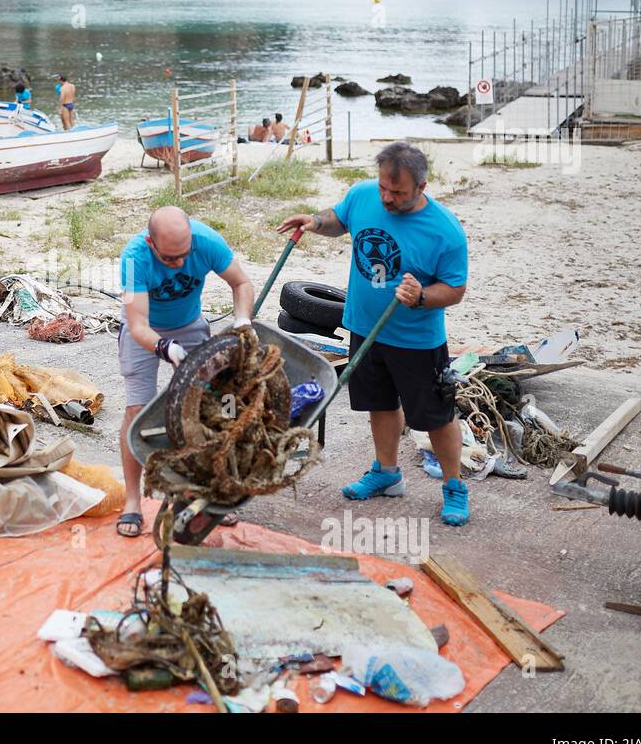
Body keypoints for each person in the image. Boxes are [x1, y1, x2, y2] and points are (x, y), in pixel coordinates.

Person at [277, 141, 471, 525]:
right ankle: (386, 473)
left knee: (435, 415)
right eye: (384, 187)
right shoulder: (365, 194)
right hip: (365, 329)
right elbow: (340, 218)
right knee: (379, 403)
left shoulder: (445, 231)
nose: (387, 197)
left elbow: (455, 289)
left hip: (416, 340)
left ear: (422, 187)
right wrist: (314, 222)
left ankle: (454, 487)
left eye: (397, 192)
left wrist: (421, 297)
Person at [115, 206, 256, 537]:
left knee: (205, 413)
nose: (179, 264)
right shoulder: (133, 258)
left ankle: (205, 495)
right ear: (151, 243)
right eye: (170, 258)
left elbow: (242, 282)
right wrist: (166, 349)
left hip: (191, 325)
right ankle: (133, 501)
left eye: (184, 255)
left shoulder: (206, 241)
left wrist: (242, 321)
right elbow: (137, 325)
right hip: (146, 331)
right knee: (137, 412)